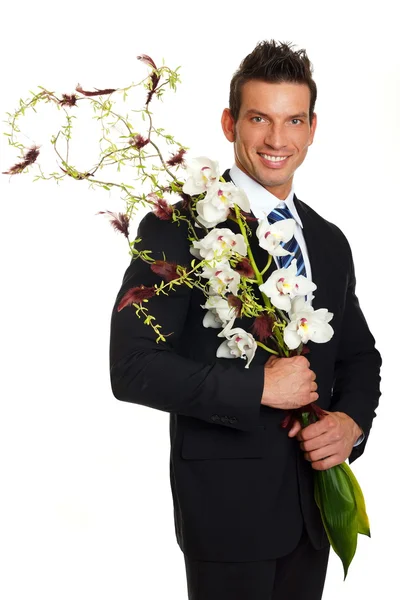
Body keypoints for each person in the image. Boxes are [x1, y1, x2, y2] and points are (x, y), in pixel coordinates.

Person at [109, 40, 382, 600]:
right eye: (259, 119)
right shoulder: (176, 228)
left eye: (292, 121)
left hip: (313, 515)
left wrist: (350, 424)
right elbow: (132, 367)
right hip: (226, 512)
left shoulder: (329, 241)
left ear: (311, 128)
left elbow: (359, 356)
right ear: (230, 122)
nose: (276, 140)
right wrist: (258, 385)